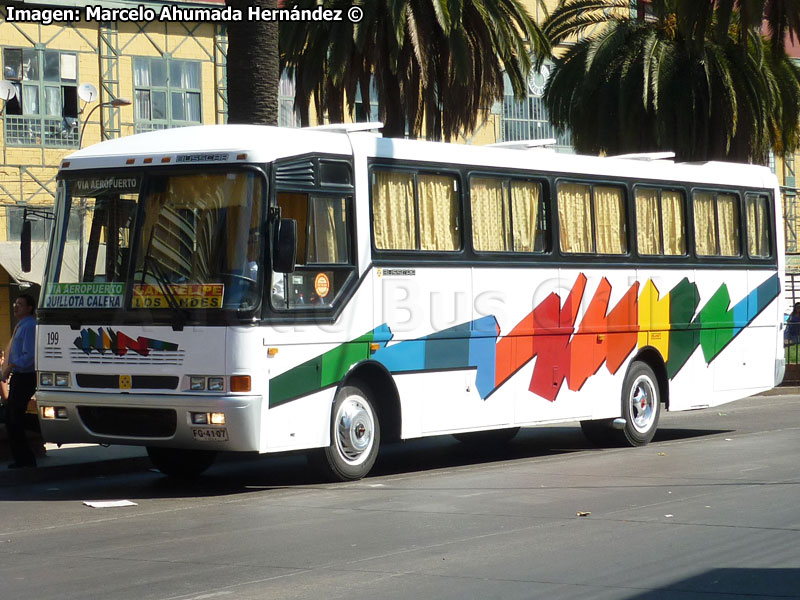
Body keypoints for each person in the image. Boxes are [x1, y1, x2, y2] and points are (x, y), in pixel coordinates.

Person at [2, 294, 38, 468]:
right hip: (18, 375)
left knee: (14, 417)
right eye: (15, 304)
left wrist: (11, 366)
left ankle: (26, 459)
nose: (15, 307)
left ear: (30, 308)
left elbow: (30, 355)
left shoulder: (30, 326)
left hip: (25, 376)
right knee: (11, 416)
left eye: (20, 304)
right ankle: (23, 458)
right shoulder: (21, 326)